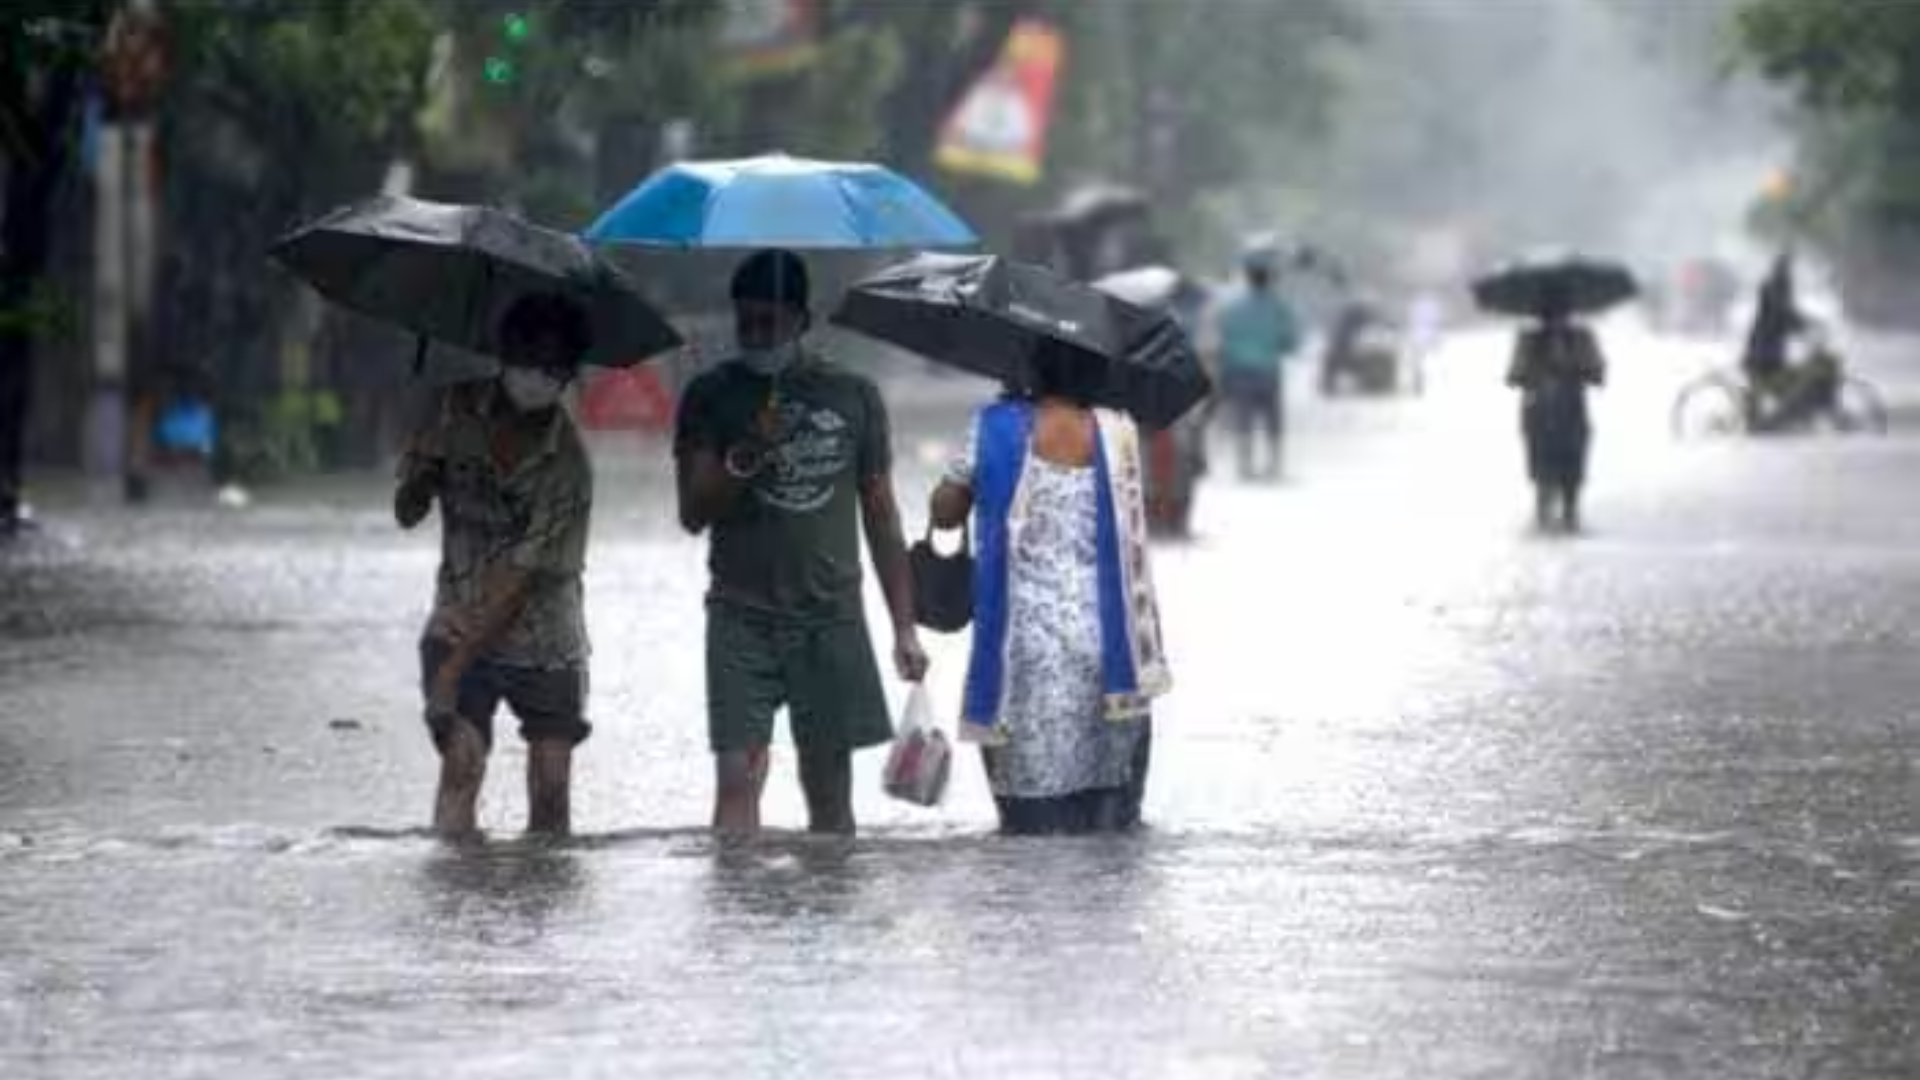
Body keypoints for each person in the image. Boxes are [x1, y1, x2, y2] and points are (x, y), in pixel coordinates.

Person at [675, 249, 927, 838]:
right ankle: (735, 915)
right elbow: (691, 512)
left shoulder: (853, 396)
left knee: (829, 791)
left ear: (800, 320)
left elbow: (882, 514)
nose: (757, 335)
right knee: (738, 778)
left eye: (770, 322)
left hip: (829, 616)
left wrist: (904, 628)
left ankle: (829, 917)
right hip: (740, 616)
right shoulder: (711, 396)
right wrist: (747, 453)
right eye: (746, 322)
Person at [928, 340, 1170, 835]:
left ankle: (1031, 913)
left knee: (1028, 829)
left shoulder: (996, 427)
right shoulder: (1118, 430)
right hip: (1112, 647)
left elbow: (944, 512)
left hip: (1026, 651)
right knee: (1110, 826)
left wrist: (968, 487)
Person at [395, 293, 596, 839]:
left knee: (551, 788)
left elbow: (522, 584)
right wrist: (419, 464)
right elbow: (406, 512)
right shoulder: (448, 411)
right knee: (462, 764)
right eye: (532, 358)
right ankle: (456, 896)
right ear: (507, 354)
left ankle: (542, 908)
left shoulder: (569, 463)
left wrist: (449, 675)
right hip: (457, 616)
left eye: (556, 366)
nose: (540, 375)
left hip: (546, 637)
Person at [1506, 296, 1605, 533]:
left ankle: (1568, 513)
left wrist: (1573, 365)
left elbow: (1597, 374)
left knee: (1570, 463)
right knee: (1544, 464)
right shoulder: (1529, 338)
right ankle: (1546, 512)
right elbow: (1513, 377)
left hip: (1568, 410)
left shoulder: (1581, 337)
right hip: (1541, 411)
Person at [1211, 248, 1302, 479]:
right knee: (1273, 418)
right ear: (1268, 278)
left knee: (1244, 418)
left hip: (1238, 371)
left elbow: (1220, 338)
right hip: (1269, 371)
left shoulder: (1231, 306)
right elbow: (1290, 341)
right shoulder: (1278, 307)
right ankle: (1274, 465)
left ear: (1248, 277)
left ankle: (1245, 465)